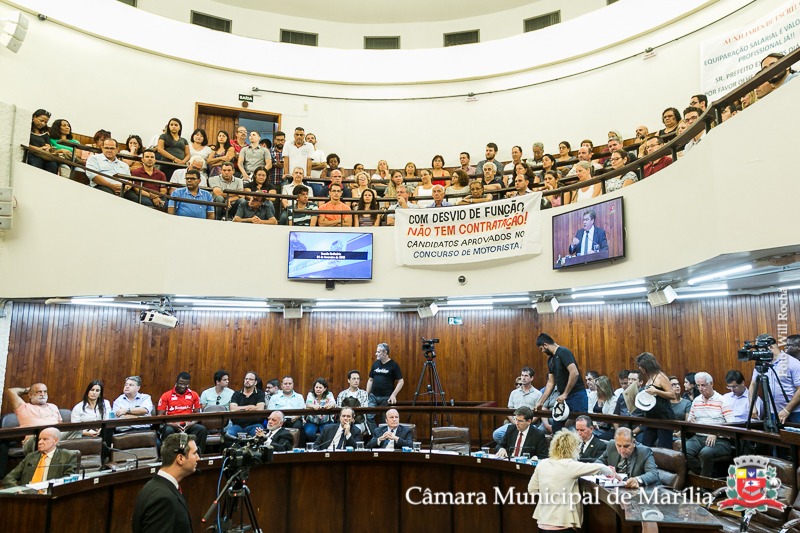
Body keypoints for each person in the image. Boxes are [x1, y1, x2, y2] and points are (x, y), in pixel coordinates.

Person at [528, 429, 614, 532]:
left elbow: (532, 489)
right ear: (572, 449)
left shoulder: (542, 464)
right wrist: (612, 473)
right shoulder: (570, 465)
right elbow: (599, 468)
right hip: (562, 525)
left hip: (543, 522)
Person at [132, 433, 199, 533]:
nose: (198, 458)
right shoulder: (163, 498)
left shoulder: (153, 486)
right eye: (194, 453)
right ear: (180, 458)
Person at [0, 383, 62, 477]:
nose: (42, 394)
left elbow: (61, 426)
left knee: (76, 430)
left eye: (45, 391)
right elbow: (11, 391)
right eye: (38, 392)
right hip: (35, 439)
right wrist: (27, 389)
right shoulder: (23, 407)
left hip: (56, 437)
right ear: (30, 395)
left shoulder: (53, 406)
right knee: (40, 437)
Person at [534, 333, 588, 432]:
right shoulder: (550, 360)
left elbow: (574, 373)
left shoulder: (563, 352)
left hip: (577, 395)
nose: (542, 351)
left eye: (541, 348)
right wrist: (540, 402)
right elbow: (550, 383)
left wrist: (565, 394)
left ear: (545, 345)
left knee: (581, 427)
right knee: (556, 427)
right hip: (563, 398)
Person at [685, 372, 735, 476]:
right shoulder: (696, 401)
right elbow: (689, 420)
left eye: (703, 385)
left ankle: (705, 486)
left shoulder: (722, 400)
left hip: (720, 440)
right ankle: (705, 477)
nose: (700, 388)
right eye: (698, 385)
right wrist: (691, 422)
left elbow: (732, 424)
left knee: (706, 453)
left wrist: (715, 433)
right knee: (684, 451)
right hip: (698, 437)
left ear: (711, 384)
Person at [747, 334, 800, 423]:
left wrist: (787, 410)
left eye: (759, 349)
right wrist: (753, 406)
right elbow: (752, 385)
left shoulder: (792, 363)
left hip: (795, 413)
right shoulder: (761, 364)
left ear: (770, 347)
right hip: (772, 412)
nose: (758, 352)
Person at [2, 427, 77, 488]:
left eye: (45, 439)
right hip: (28, 497)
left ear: (55, 441)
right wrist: (18, 491)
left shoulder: (67, 456)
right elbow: (9, 478)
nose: (40, 442)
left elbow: (68, 482)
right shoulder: (30, 457)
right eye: (39, 439)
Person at [157, 372, 208, 453]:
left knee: (201, 429)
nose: (183, 386)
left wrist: (190, 424)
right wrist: (174, 425)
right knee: (168, 430)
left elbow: (197, 415)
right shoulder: (166, 395)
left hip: (188, 424)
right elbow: (160, 416)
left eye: (186, 384)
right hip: (172, 424)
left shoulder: (194, 395)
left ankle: (196, 454)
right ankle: (170, 455)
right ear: (176, 383)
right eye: (181, 384)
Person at [635, 352, 676, 449]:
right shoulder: (649, 377)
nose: (640, 368)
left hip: (663, 418)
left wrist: (656, 391)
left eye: (640, 366)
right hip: (651, 417)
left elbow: (672, 395)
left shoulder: (660, 376)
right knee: (645, 446)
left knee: (664, 448)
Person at [595, 427, 660, 488]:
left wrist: (637, 480)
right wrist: (607, 470)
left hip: (639, 491)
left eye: (626, 446)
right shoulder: (611, 445)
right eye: (619, 446)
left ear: (633, 442)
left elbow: (653, 473)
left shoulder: (644, 451)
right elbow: (598, 462)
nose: (622, 450)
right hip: (615, 487)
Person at [492, 366, 542, 443]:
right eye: (522, 375)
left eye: (526, 376)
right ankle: (510, 448)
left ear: (531, 378)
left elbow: (539, 413)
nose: (523, 378)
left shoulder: (538, 394)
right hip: (515, 423)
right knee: (496, 434)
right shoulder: (514, 393)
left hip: (529, 424)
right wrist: (515, 423)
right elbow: (509, 410)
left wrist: (527, 423)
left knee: (535, 435)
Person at [366, 343, 404, 428]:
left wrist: (394, 394)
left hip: (386, 397)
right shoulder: (375, 364)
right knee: (369, 417)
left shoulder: (393, 365)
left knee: (385, 420)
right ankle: (376, 436)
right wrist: (366, 394)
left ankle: (384, 438)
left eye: (378, 352)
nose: (376, 354)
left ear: (385, 352)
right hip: (373, 396)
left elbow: (401, 381)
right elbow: (370, 380)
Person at [225, 371, 266, 441]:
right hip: (237, 425)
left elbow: (260, 408)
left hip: (255, 425)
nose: (247, 381)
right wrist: (252, 407)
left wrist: (239, 408)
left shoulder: (260, 394)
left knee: (259, 438)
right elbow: (233, 409)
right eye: (246, 379)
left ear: (255, 382)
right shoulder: (236, 394)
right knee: (228, 435)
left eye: (251, 379)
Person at [26, 109, 58, 174]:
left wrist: (48, 148)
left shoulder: (45, 133)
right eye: (41, 120)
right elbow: (24, 143)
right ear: (34, 117)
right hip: (32, 154)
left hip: (43, 155)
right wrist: (37, 149)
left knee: (53, 165)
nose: (43, 123)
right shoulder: (27, 129)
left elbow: (48, 145)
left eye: (45, 122)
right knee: (36, 163)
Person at [303, 377, 336, 442]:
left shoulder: (329, 394)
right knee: (309, 433)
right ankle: (316, 445)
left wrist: (329, 405)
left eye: (320, 388)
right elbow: (307, 404)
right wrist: (314, 406)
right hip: (312, 421)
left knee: (328, 433)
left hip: (326, 421)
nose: (318, 389)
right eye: (316, 387)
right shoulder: (311, 394)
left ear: (325, 389)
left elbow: (333, 403)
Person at [592, 376, 618, 440]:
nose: (596, 388)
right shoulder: (593, 395)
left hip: (606, 427)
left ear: (604, 388)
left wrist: (601, 418)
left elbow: (610, 416)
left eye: (598, 387)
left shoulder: (613, 399)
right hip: (593, 424)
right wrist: (594, 421)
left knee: (598, 438)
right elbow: (589, 411)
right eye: (596, 386)